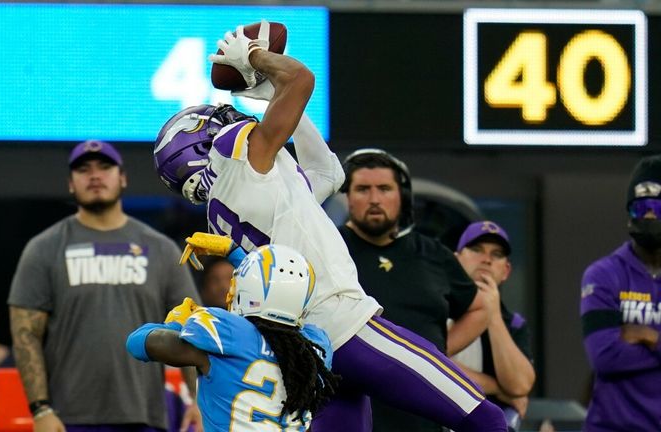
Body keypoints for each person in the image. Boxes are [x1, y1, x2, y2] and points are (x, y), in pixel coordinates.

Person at [153, 21, 507, 431]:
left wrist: (273, 98)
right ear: (201, 146)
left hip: (309, 351)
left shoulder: (239, 194)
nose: (229, 118)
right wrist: (254, 58)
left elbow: (327, 173)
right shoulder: (237, 159)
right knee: (486, 418)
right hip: (346, 326)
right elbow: (301, 79)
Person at [8, 140, 202, 431]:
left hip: (144, 415)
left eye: (104, 167)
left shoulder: (161, 250)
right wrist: (40, 410)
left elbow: (191, 329)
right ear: (71, 184)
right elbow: (25, 334)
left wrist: (199, 402)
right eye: (84, 169)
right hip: (68, 418)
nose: (95, 175)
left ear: (122, 177)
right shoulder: (44, 249)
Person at [338, 149, 491, 432]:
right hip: (355, 412)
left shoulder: (432, 253)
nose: (374, 199)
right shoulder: (331, 248)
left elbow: (480, 307)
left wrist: (437, 351)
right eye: (362, 189)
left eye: (384, 189)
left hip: (424, 418)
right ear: (346, 196)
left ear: (402, 196)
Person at [126, 243, 340, 431]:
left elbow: (136, 343)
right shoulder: (316, 349)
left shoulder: (226, 334)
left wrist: (174, 324)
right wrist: (235, 253)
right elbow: (274, 293)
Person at [580, 155, 661, 432]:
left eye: (656, 208)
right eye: (640, 209)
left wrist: (650, 336)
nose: (649, 217)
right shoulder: (602, 274)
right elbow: (604, 357)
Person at [453, 221, 535, 430]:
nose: (486, 260)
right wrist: (496, 388)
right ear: (455, 260)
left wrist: (493, 316)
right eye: (476, 249)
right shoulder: (437, 308)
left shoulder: (514, 324)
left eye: (497, 254)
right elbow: (430, 362)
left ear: (506, 271)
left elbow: (519, 386)